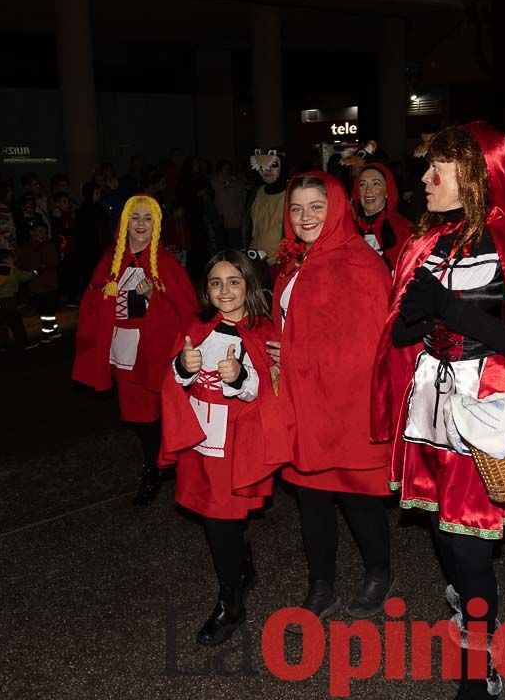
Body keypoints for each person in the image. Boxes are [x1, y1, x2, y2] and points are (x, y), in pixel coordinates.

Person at [371, 122, 505, 699]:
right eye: (427, 167)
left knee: (469, 542)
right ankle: (467, 601)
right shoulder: (422, 244)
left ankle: (478, 660)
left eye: (440, 169)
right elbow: (404, 332)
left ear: (477, 176)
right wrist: (411, 319)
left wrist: (452, 312)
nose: (425, 180)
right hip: (430, 403)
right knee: (440, 529)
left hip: (486, 412)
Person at [267, 174, 394, 620]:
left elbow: (369, 346)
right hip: (303, 401)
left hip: (345, 406)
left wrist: (298, 354)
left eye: (316, 207)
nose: (305, 218)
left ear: (337, 207)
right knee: (312, 499)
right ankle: (321, 584)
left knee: (358, 495)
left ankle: (380, 571)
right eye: (297, 209)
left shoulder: (360, 263)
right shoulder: (296, 262)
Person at [159, 249, 279, 647]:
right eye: (215, 282)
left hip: (236, 446)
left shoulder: (262, 329)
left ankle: (231, 603)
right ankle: (242, 571)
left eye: (233, 281)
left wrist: (239, 376)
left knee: (219, 520)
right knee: (217, 517)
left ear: (248, 284)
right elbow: (173, 381)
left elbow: (266, 391)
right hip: (200, 442)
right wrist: (183, 367)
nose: (224, 291)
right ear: (205, 289)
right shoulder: (198, 325)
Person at [72, 194, 198, 506]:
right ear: (124, 222)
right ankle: (161, 461)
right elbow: (92, 301)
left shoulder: (166, 264)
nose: (140, 224)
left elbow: (186, 309)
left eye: (147, 218)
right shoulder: (110, 258)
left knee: (153, 415)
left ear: (157, 225)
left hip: (153, 354)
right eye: (135, 217)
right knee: (139, 417)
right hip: (121, 354)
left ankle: (154, 469)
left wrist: (155, 298)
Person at [352, 162, 413, 271]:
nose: (368, 191)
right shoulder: (350, 229)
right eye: (363, 185)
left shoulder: (403, 229)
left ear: (387, 192)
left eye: (375, 184)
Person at [242, 149, 287, 271]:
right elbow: (248, 226)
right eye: (263, 166)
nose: (267, 170)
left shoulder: (291, 194)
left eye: (273, 165)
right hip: (255, 259)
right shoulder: (256, 192)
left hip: (279, 262)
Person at [16, 221, 61, 341]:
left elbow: (55, 261)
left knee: (49, 310)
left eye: (45, 232)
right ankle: (51, 331)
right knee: (44, 310)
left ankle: (49, 332)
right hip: (36, 285)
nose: (43, 235)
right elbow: (21, 264)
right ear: (32, 232)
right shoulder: (26, 248)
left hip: (50, 284)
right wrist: (33, 269)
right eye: (40, 232)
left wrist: (45, 265)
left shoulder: (49, 246)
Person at [0, 248, 36, 351]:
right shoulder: (13, 271)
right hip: (9, 302)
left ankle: (1, 346)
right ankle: (23, 344)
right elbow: (25, 277)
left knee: (0, 326)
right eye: (12, 257)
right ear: (7, 259)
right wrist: (35, 272)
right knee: (16, 324)